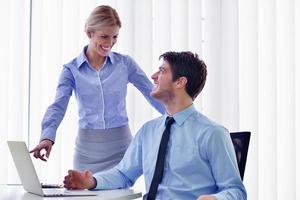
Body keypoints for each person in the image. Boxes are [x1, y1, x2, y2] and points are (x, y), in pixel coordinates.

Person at [63, 51, 247, 200]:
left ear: (180, 82)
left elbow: (236, 191)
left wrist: (215, 199)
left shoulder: (212, 133)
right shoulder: (148, 131)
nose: (153, 76)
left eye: (162, 71)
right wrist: (92, 181)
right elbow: (123, 174)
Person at [30, 5, 164, 173]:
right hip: (86, 152)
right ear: (89, 33)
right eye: (104, 36)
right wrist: (47, 138)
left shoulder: (125, 64)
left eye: (115, 37)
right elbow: (58, 106)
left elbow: (151, 93)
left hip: (121, 149)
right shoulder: (71, 70)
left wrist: (179, 117)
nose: (110, 43)